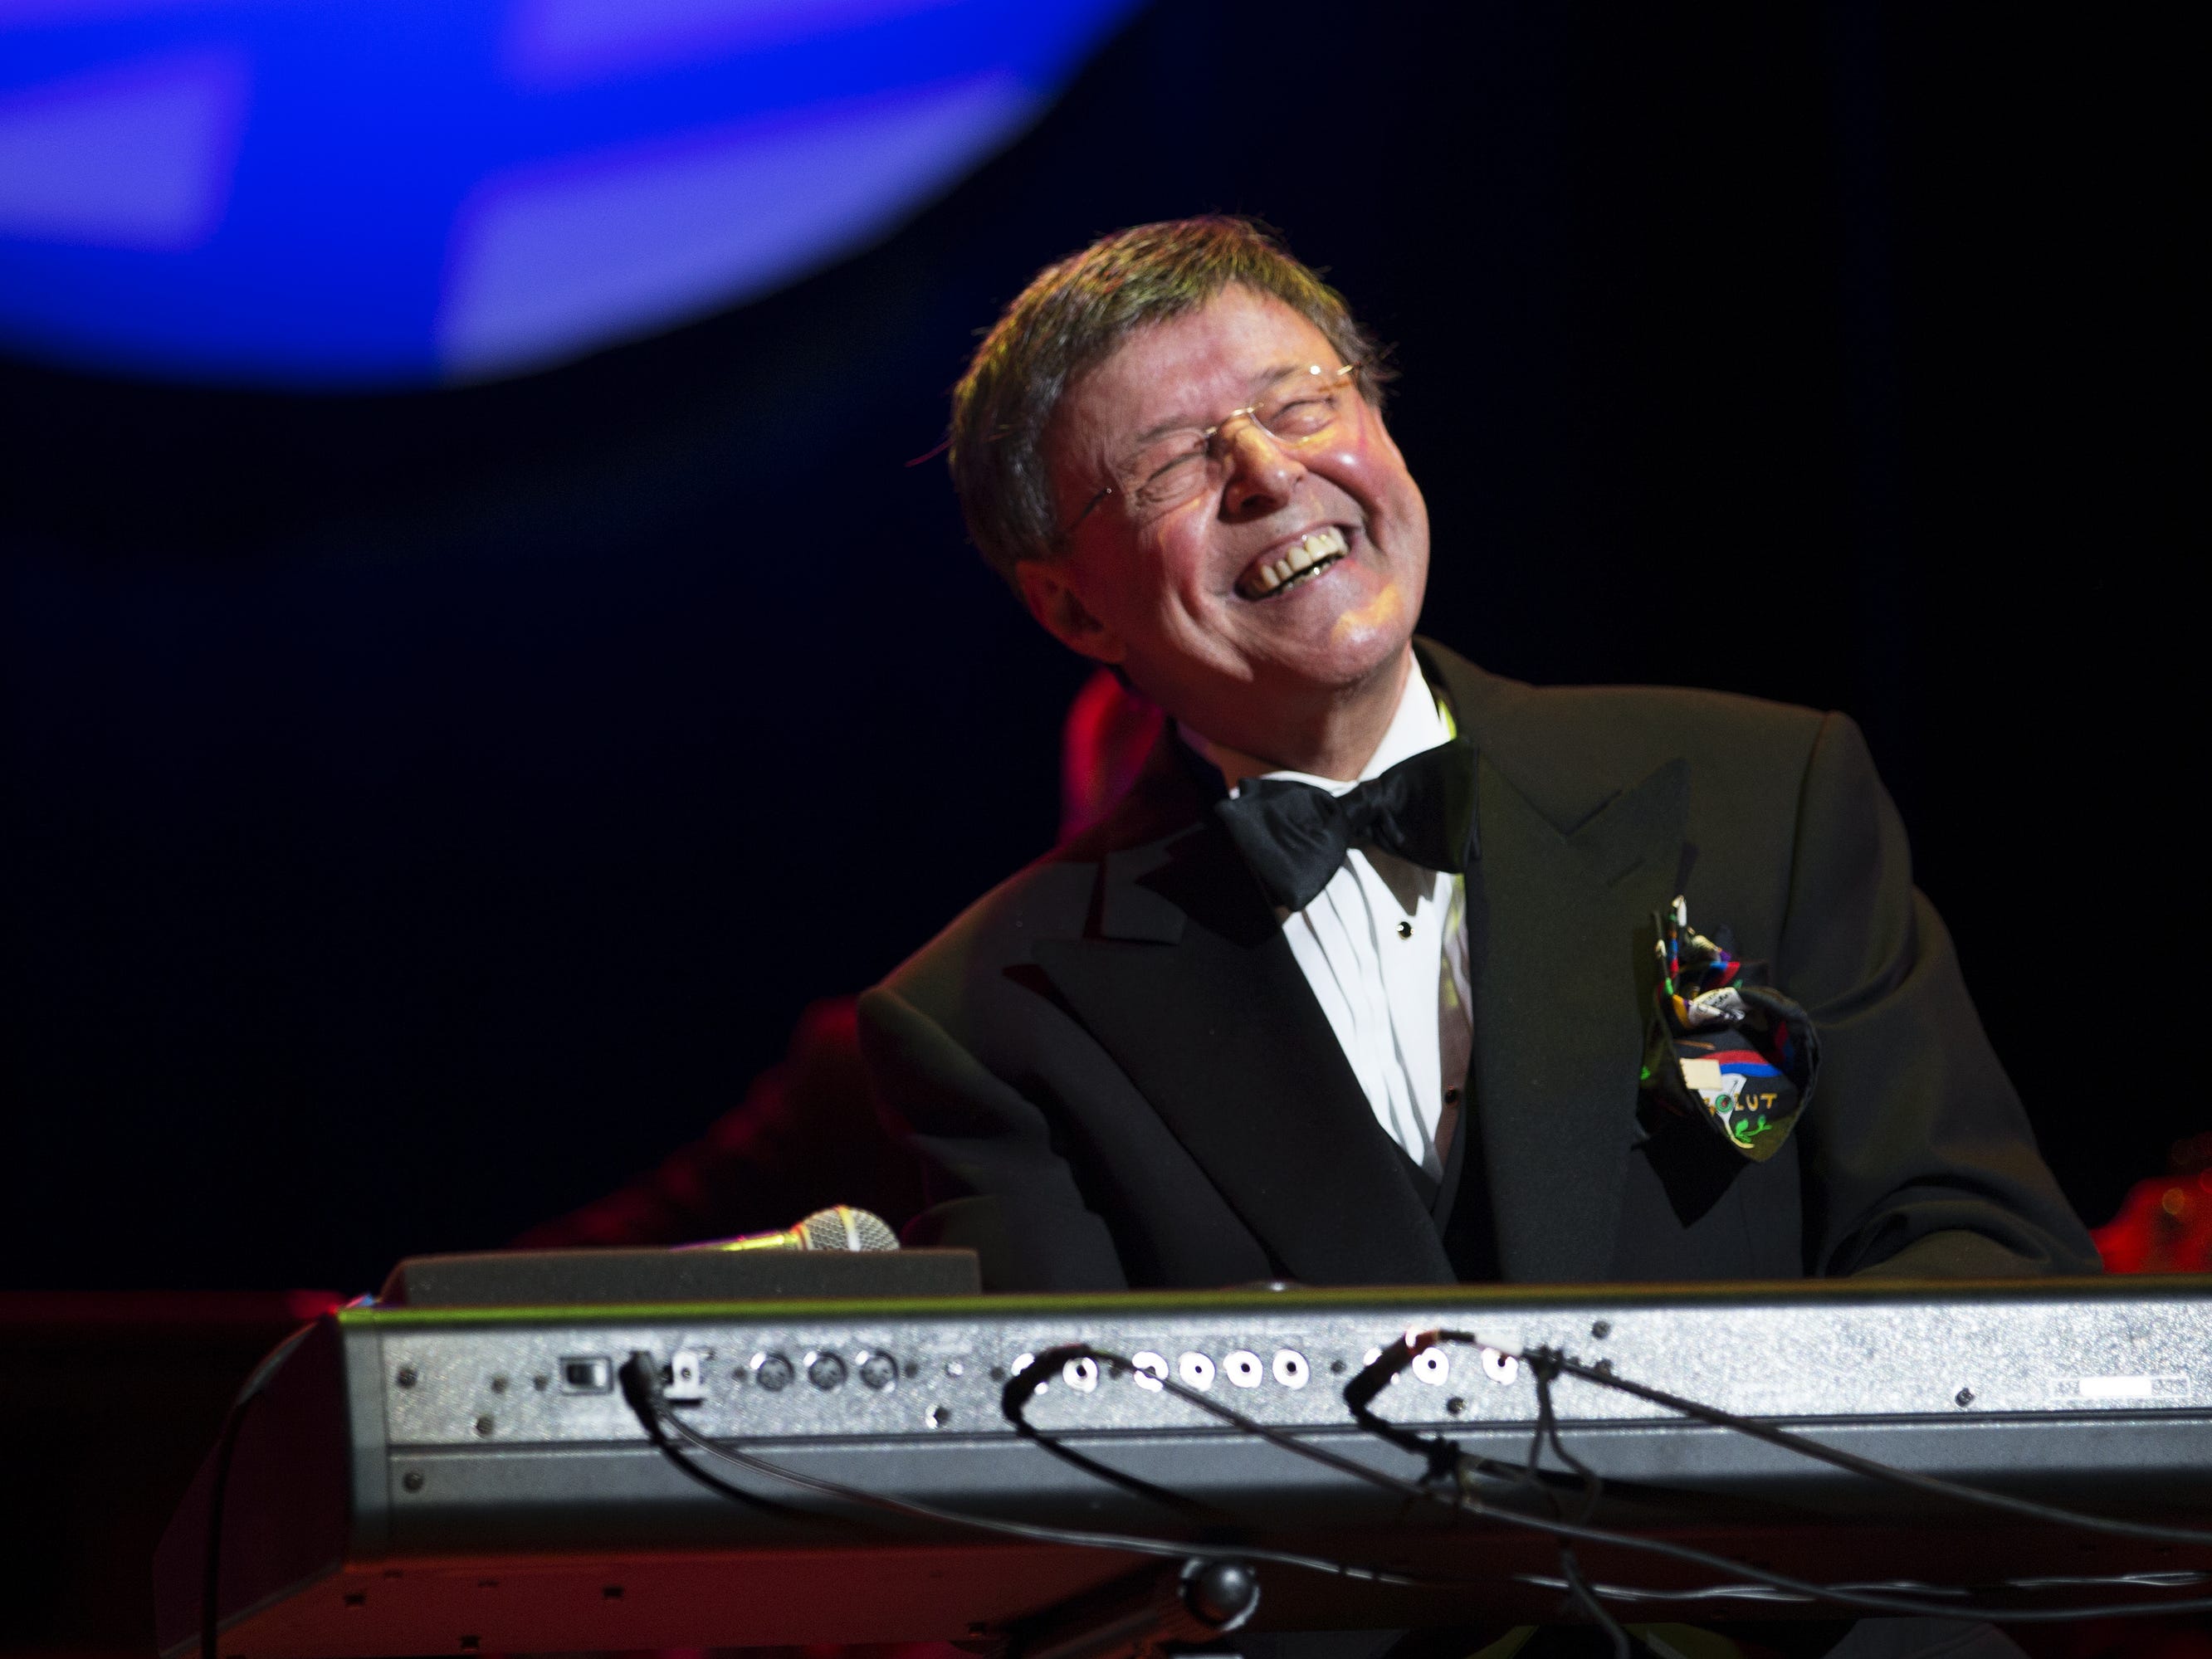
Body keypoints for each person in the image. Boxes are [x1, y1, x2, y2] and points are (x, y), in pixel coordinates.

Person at [857, 217, 2096, 1295]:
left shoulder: (1765, 796)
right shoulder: (987, 1018)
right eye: (1171, 461)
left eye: (1300, 403)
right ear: (1071, 609)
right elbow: (1077, 1477)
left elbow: (1977, 1253)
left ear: (1378, 424)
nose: (1267, 473)